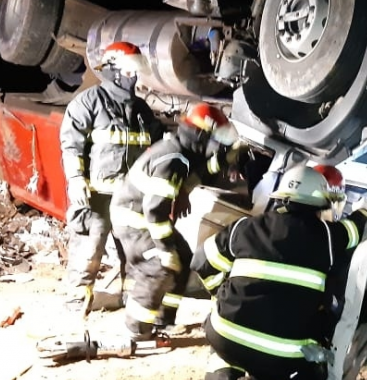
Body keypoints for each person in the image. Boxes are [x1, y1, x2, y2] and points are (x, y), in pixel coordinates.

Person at [193, 165, 367, 380]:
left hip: (224, 335)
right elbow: (352, 230)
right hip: (282, 356)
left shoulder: (246, 227)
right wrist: (365, 210)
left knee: (226, 351)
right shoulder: (326, 236)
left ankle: (222, 376)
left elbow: (201, 261)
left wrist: (218, 292)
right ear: (320, 203)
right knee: (308, 368)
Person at [110, 102, 240, 340]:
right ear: (202, 134)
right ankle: (136, 330)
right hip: (135, 221)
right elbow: (154, 212)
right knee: (159, 267)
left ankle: (163, 319)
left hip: (137, 216)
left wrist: (226, 157)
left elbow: (197, 172)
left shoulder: (181, 149)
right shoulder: (173, 158)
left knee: (182, 258)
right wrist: (164, 249)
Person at [59, 41, 164, 313]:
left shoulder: (141, 110)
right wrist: (76, 179)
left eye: (136, 70)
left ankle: (131, 304)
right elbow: (71, 144)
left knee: (134, 253)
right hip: (97, 199)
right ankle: (76, 306)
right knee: (88, 251)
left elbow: (159, 147)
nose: (134, 76)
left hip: (130, 199)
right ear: (114, 70)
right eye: (130, 69)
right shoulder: (89, 102)